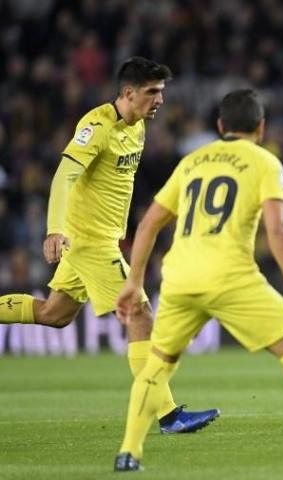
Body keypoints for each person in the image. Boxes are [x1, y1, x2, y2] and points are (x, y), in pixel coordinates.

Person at [113, 89, 283, 471]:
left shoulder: (192, 161)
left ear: (220, 126)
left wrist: (133, 280)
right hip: (230, 276)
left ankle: (128, 453)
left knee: (157, 365)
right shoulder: (264, 162)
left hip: (179, 276)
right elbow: (277, 227)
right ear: (261, 126)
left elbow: (149, 223)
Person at [0, 57, 219, 434]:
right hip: (88, 240)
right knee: (139, 313)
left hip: (100, 238)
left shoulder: (137, 128)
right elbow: (65, 175)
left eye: (162, 93)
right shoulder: (96, 125)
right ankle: (168, 416)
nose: (159, 101)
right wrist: (54, 229)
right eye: (152, 93)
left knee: (56, 314)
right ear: (129, 93)